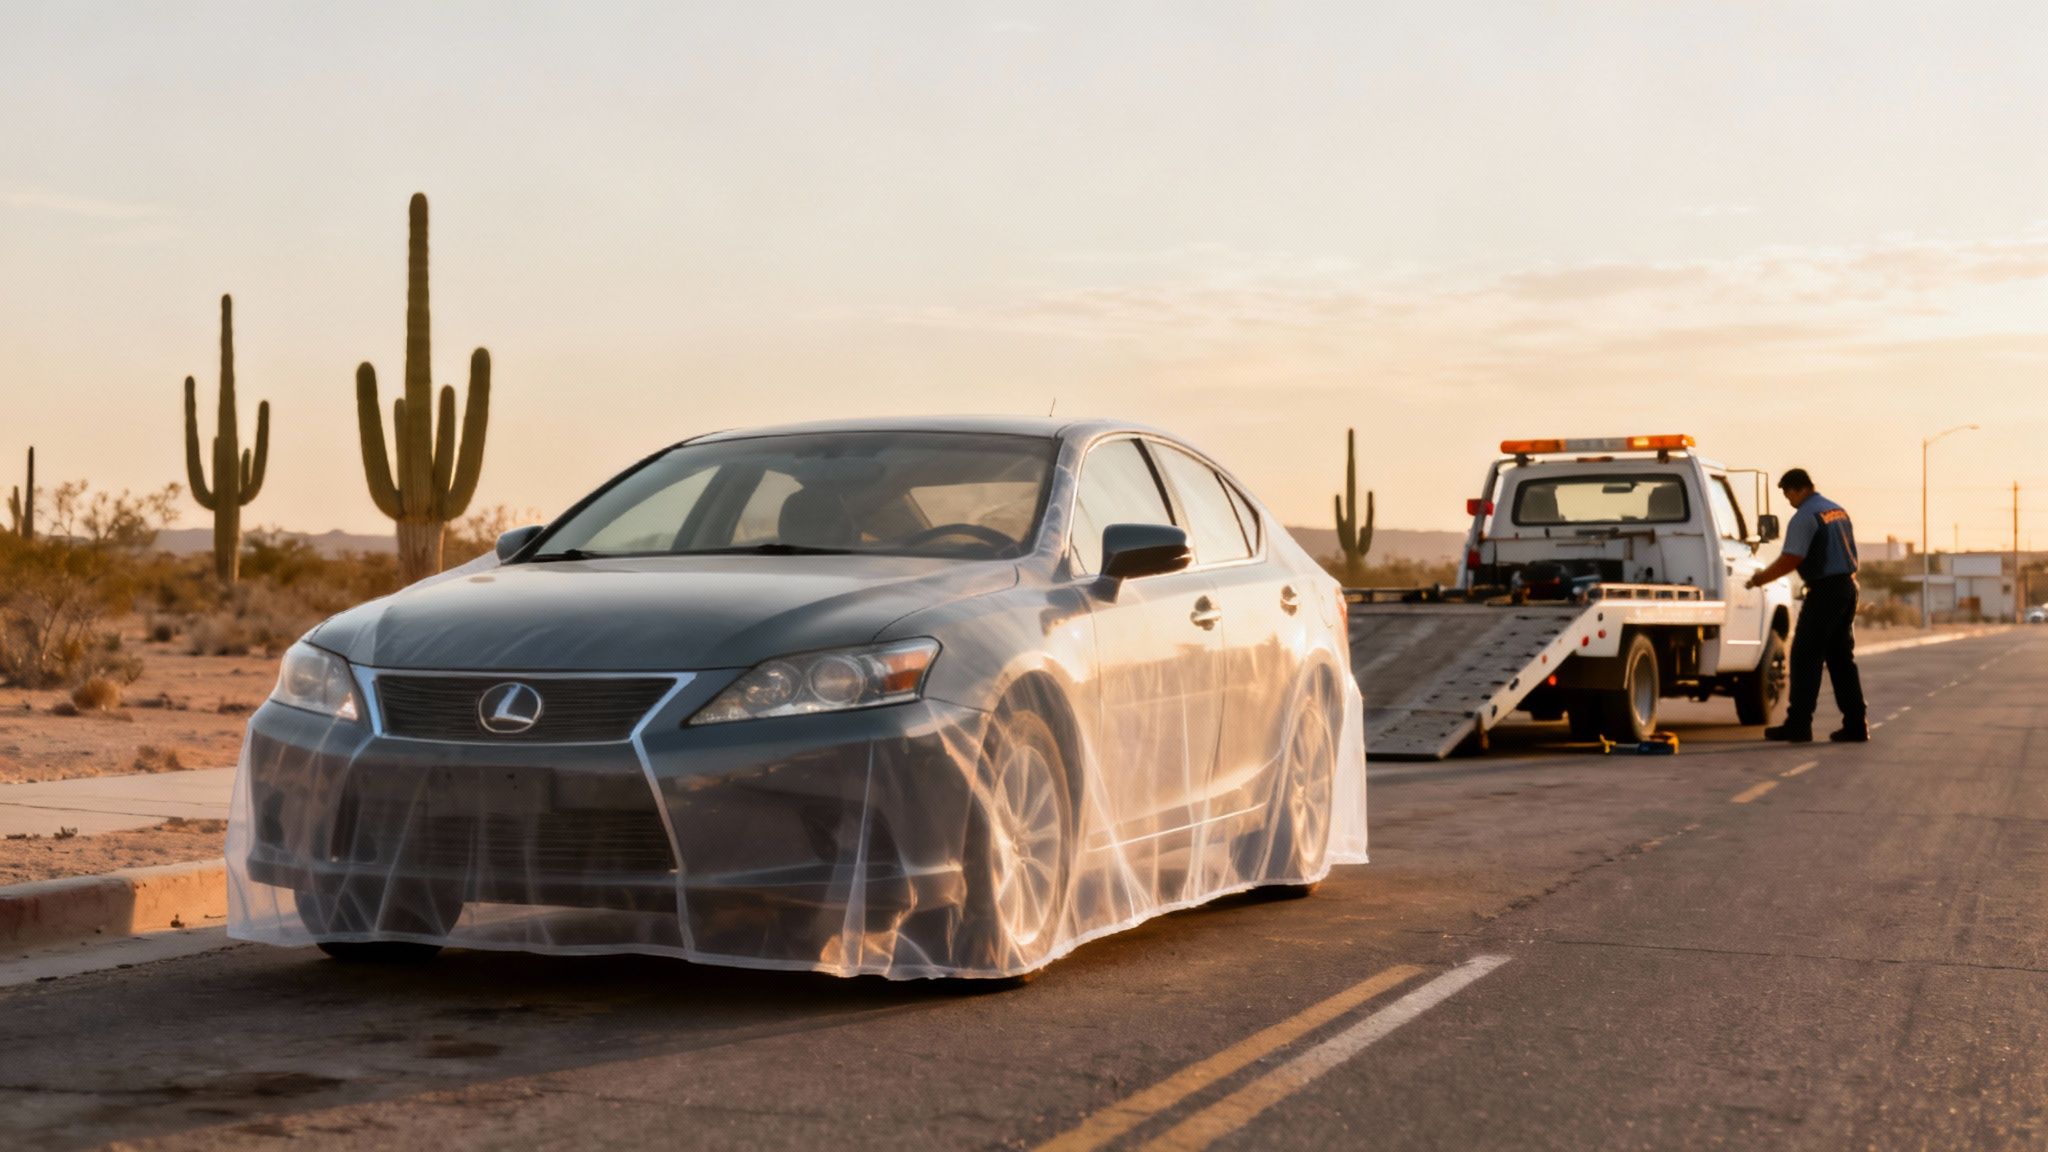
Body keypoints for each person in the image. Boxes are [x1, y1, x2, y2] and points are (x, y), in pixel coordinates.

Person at [1745, 469, 1867, 743]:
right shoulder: (1837, 511)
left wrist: (1760, 579)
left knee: (1804, 657)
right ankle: (1856, 724)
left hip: (1825, 592)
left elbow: (1791, 558)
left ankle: (1799, 724)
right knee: (1841, 660)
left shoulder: (1805, 517)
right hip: (1847, 587)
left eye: (1787, 493)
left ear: (1798, 489)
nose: (1787, 499)